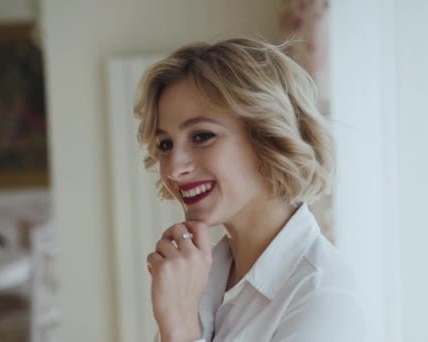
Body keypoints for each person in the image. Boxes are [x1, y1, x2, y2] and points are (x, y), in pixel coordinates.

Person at [134, 37, 366, 342]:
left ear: (268, 137)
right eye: (166, 144)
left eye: (202, 136)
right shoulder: (199, 277)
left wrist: (178, 329)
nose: (174, 169)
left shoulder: (321, 297)